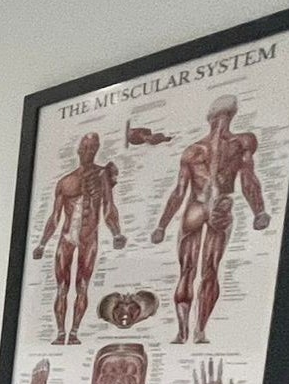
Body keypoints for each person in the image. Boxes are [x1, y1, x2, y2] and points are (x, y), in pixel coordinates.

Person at [153, 95, 271, 344]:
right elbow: (248, 180)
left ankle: (184, 331)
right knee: (209, 270)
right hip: (220, 207)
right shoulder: (242, 142)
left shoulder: (194, 151)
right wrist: (258, 211)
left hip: (196, 207)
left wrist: (162, 225)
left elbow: (178, 192)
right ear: (232, 114)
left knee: (187, 270)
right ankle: (198, 331)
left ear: (210, 117)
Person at [32, 133, 125, 344]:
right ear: (78, 150)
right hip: (66, 237)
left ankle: (74, 332)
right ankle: (60, 332)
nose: (88, 151)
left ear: (97, 150)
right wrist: (42, 243)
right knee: (61, 288)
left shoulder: (102, 175)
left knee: (82, 286)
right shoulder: (65, 181)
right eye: (85, 147)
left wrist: (116, 232)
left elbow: (108, 206)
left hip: (89, 237)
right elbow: (55, 217)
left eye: (93, 147)